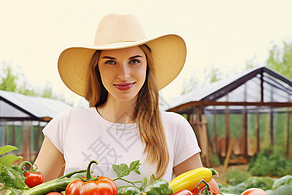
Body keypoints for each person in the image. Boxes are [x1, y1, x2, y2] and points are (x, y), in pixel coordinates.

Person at [34, 13, 202, 184]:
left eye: (134, 61)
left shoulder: (174, 127)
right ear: (97, 69)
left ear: (147, 66)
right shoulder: (67, 123)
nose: (124, 75)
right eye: (111, 62)